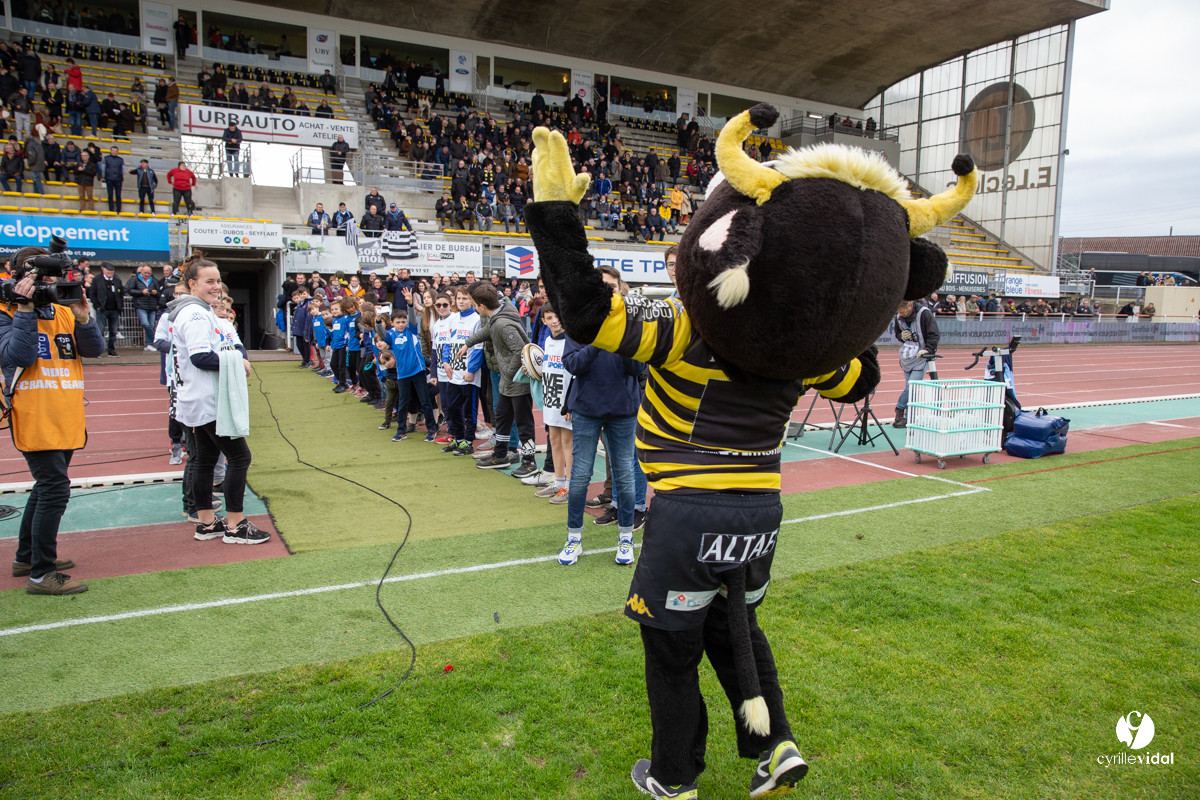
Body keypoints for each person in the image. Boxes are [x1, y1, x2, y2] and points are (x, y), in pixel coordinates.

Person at [0, 244, 105, 594]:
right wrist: (25, 310)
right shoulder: (5, 312)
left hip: (65, 413)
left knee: (46, 488)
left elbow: (93, 350)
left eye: (52, 276)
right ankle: (41, 574)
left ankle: (27, 557)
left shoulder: (62, 310)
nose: (47, 283)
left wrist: (83, 315)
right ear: (17, 275)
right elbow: (20, 355)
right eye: (39, 277)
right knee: (55, 489)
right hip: (34, 415)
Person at [168, 255, 268, 545]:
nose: (216, 287)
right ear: (192, 284)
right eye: (208, 281)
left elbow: (231, 342)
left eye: (217, 281)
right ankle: (235, 526)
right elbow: (200, 357)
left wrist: (236, 354)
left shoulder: (201, 312)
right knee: (239, 456)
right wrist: (237, 361)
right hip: (209, 400)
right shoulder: (196, 313)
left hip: (198, 399)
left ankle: (207, 522)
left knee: (206, 459)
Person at [554, 266, 644, 567]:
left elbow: (639, 369)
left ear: (620, 289)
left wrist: (621, 340)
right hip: (587, 409)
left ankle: (626, 538)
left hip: (623, 409)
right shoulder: (580, 322)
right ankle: (574, 538)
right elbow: (573, 365)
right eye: (602, 287)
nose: (608, 292)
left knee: (625, 475)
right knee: (580, 476)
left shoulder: (633, 322)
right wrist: (599, 340)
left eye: (612, 286)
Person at [460, 282, 536, 474]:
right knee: (502, 417)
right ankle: (500, 455)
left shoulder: (502, 323)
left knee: (523, 422)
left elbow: (520, 350)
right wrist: (468, 343)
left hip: (517, 382)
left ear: (481, 306)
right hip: (508, 382)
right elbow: (489, 331)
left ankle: (529, 462)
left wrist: (508, 374)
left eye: (474, 304)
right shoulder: (497, 318)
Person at [532, 302, 574, 503]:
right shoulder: (547, 341)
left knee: (568, 442)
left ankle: (571, 487)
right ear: (543, 321)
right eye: (549, 317)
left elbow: (575, 375)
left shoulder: (572, 341)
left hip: (566, 401)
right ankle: (558, 482)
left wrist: (571, 403)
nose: (554, 320)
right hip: (551, 398)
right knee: (554, 440)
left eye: (557, 316)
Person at [440, 286, 484, 456]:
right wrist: (445, 361)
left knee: (469, 410)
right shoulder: (452, 318)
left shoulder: (477, 320)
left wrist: (471, 370)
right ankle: (457, 439)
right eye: (458, 298)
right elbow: (447, 343)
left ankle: (467, 441)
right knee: (451, 408)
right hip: (453, 374)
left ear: (471, 300)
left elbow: (479, 348)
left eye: (465, 298)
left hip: (468, 375)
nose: (461, 302)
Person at [892, 298, 939, 428]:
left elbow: (934, 334)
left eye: (902, 312)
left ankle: (900, 409)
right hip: (907, 356)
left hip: (921, 355)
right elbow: (897, 334)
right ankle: (908, 418)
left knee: (912, 386)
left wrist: (928, 349)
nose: (900, 315)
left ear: (909, 306)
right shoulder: (898, 316)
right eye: (898, 312)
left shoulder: (925, 314)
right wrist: (902, 336)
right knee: (911, 388)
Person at [87, 261, 123, 356]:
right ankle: (99, 350)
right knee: (100, 330)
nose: (110, 273)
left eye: (112, 271)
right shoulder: (97, 279)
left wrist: (120, 306)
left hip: (114, 309)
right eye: (108, 271)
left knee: (113, 330)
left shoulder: (117, 280)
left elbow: (121, 293)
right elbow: (92, 293)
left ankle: (111, 350)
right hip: (102, 309)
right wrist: (97, 306)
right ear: (104, 270)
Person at [126, 264, 161, 351]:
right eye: (145, 273)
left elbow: (160, 293)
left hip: (152, 306)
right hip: (140, 305)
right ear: (141, 272)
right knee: (145, 323)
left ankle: (148, 344)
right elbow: (129, 290)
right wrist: (141, 292)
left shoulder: (154, 281)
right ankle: (156, 339)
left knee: (151, 325)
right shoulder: (134, 279)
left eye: (149, 273)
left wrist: (155, 293)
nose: (147, 275)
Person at [101, 146, 124, 212]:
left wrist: (120, 175)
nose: (114, 152)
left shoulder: (120, 159)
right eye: (113, 150)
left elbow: (123, 169)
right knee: (110, 194)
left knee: (118, 195)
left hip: (118, 179)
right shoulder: (106, 158)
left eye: (116, 151)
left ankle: (118, 209)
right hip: (109, 179)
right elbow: (103, 168)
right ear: (110, 151)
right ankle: (111, 209)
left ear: (117, 152)